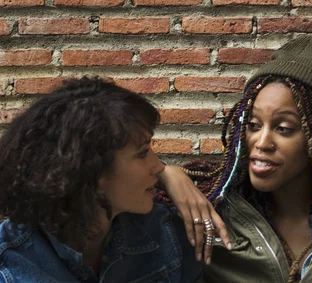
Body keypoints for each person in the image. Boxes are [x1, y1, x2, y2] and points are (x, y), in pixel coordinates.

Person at [159, 35, 312, 282]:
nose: (261, 142)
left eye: (283, 128)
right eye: (253, 124)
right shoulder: (212, 206)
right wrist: (164, 174)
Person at [0, 77, 204, 282]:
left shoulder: (166, 233)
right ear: (92, 169)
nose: (159, 166)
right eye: (142, 153)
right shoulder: (11, 264)